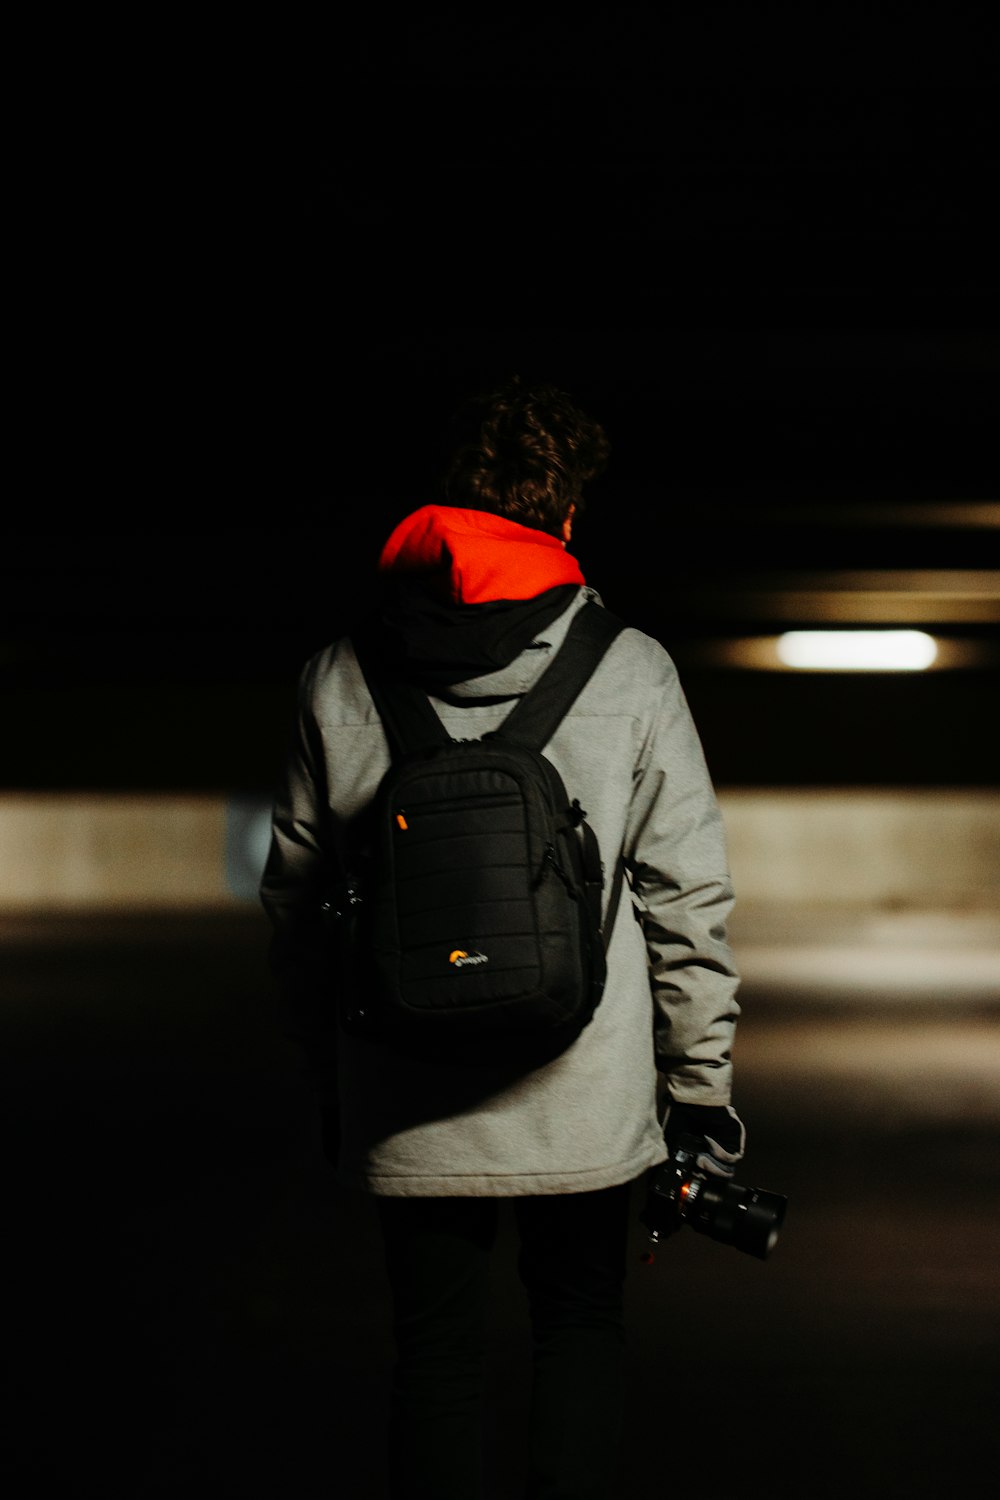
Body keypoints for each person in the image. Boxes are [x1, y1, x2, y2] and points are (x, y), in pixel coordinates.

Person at [258, 375, 746, 1500]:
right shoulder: (629, 667)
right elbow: (688, 898)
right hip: (585, 1087)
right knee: (577, 1331)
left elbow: (293, 899)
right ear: (566, 516)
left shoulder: (338, 674)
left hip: (403, 1085)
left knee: (435, 1357)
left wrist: (325, 1068)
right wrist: (702, 1091)